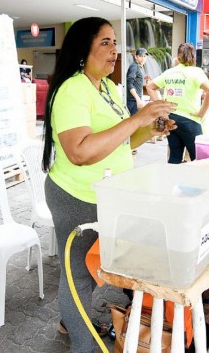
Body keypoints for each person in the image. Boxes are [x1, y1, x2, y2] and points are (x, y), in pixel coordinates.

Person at [41, 17, 175, 352]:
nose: (115, 51)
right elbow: (80, 152)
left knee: (87, 271)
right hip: (76, 196)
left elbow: (120, 143)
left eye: (115, 43)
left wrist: (152, 129)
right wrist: (136, 119)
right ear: (83, 49)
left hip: (105, 196)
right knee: (77, 278)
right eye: (105, 43)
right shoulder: (73, 88)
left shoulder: (107, 88)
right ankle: (82, 344)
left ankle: (69, 319)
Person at [147, 43, 209, 164]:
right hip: (190, 120)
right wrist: (201, 113)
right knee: (198, 160)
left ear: (178, 58)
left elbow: (150, 86)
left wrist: (161, 110)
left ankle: (172, 182)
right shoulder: (196, 72)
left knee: (174, 156)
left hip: (170, 118)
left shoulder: (170, 72)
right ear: (193, 57)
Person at [126, 47, 148, 116]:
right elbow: (129, 83)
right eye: (140, 56)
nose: (143, 58)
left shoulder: (139, 67)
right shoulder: (134, 66)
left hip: (135, 101)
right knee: (133, 125)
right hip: (133, 101)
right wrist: (138, 99)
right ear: (136, 57)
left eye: (144, 56)